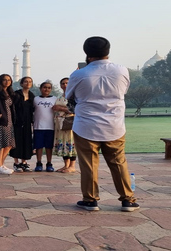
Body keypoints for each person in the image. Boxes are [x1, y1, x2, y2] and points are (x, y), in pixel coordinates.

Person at [66, 36, 139, 212]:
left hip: (86, 125)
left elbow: (69, 96)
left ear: (86, 53)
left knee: (89, 164)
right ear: (108, 51)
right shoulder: (122, 71)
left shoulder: (79, 74)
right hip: (114, 124)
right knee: (119, 162)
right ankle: (127, 199)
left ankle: (90, 200)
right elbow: (123, 91)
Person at [10, 77, 35, 173]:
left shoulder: (32, 95)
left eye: (30, 82)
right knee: (17, 142)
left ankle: (24, 162)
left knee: (26, 141)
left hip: (27, 122)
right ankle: (16, 163)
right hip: (17, 122)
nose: (28, 83)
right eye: (26, 81)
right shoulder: (16, 94)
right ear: (21, 83)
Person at [53, 78, 77, 173]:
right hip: (60, 124)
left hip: (70, 123)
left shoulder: (74, 96)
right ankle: (66, 165)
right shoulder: (60, 97)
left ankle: (72, 166)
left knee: (71, 143)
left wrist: (60, 108)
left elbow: (74, 110)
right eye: (63, 83)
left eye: (67, 83)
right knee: (63, 143)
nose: (65, 85)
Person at [33, 81, 57, 172]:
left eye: (49, 88)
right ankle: (38, 163)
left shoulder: (54, 99)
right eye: (44, 87)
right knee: (38, 146)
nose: (46, 89)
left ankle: (49, 163)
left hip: (50, 126)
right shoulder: (36, 99)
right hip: (38, 126)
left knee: (48, 147)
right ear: (40, 88)